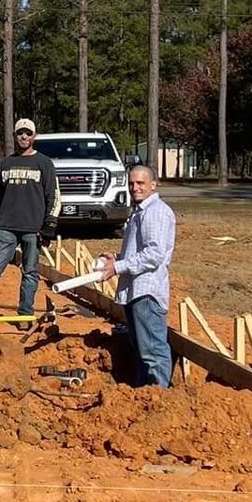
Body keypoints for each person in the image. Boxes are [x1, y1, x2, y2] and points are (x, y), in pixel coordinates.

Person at [0, 118, 59, 316]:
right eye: (20, 133)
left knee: (30, 273)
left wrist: (50, 225)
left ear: (34, 136)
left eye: (28, 133)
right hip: (5, 227)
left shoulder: (44, 164)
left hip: (33, 229)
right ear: (14, 136)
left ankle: (25, 313)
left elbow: (53, 197)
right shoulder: (5, 164)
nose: (24, 136)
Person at [103, 164, 177, 388]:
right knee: (141, 348)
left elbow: (154, 254)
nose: (135, 188)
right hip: (136, 289)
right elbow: (143, 250)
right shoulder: (141, 212)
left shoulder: (155, 212)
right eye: (132, 183)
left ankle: (159, 396)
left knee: (152, 349)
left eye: (141, 183)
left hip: (147, 291)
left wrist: (118, 267)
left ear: (153, 185)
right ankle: (142, 392)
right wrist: (118, 258)